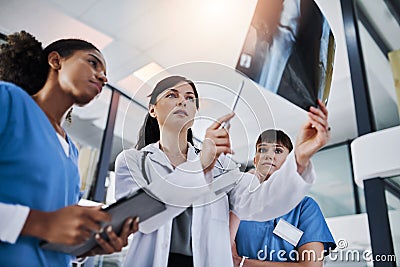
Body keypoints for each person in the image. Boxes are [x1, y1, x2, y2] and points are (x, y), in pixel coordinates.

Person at [115, 75, 331, 267]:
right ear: (152, 109)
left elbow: (259, 203)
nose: (183, 100)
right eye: (172, 95)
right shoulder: (133, 161)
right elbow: (142, 220)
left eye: (190, 98)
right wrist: (201, 166)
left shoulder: (221, 165)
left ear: (195, 112)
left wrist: (299, 158)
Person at [0, 31, 138, 267]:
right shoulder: (8, 101)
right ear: (56, 61)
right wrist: (39, 223)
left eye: (105, 74)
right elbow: (46, 225)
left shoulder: (71, 151)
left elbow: (55, 234)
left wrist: (86, 246)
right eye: (93, 62)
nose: (103, 78)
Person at [229, 129, 336, 267]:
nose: (268, 156)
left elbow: (311, 265)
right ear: (255, 161)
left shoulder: (305, 207)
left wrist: (241, 263)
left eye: (277, 151)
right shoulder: (238, 203)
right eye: (262, 150)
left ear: (289, 162)